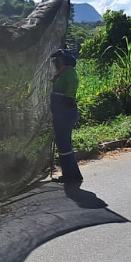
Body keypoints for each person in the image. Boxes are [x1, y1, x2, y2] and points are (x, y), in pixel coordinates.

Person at [50, 48, 83, 185]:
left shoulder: (69, 73)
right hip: (61, 113)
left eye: (59, 60)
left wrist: (65, 99)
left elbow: (72, 87)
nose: (56, 62)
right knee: (64, 144)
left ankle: (71, 175)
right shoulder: (63, 73)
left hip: (65, 113)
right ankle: (72, 173)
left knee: (63, 144)